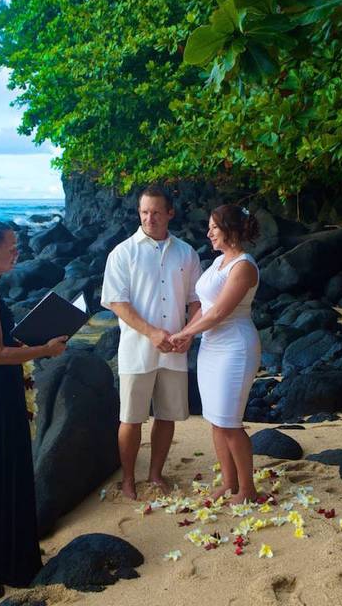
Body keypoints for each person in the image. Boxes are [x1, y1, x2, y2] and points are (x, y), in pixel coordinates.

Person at [0, 215, 68, 587]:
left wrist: (24, 341)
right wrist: (44, 350)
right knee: (3, 468)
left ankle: (4, 551)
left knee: (4, 468)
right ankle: (7, 560)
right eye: (12, 248)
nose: (17, 253)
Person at [100, 186, 202, 500]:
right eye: (144, 212)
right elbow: (117, 303)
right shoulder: (123, 252)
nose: (150, 218)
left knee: (167, 415)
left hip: (174, 349)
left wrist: (189, 332)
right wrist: (152, 333)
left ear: (170, 213)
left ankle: (155, 474)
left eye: (156, 212)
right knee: (130, 418)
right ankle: (129, 479)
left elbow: (196, 301)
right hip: (136, 350)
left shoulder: (186, 253)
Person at [169, 205, 261, 504]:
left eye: (214, 228)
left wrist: (184, 334)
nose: (208, 233)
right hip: (211, 346)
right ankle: (229, 482)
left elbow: (221, 312)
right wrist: (188, 333)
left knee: (230, 422)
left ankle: (247, 489)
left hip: (235, 346)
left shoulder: (244, 266)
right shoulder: (221, 261)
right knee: (216, 419)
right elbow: (206, 309)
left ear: (230, 229)